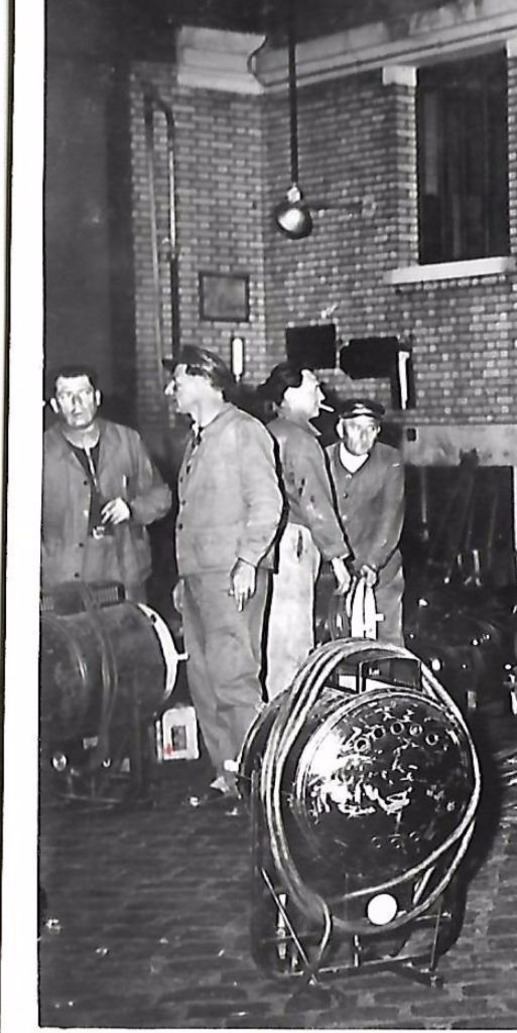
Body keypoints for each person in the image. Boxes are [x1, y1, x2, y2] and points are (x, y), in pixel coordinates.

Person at [165, 344, 283, 812]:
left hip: (232, 576)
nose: (171, 390)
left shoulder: (243, 432)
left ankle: (259, 782)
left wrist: (248, 561)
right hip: (198, 578)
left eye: (177, 380)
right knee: (206, 681)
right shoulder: (198, 438)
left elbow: (267, 503)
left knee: (235, 678)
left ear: (203, 380)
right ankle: (227, 776)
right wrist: (183, 577)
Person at [259, 363, 352, 699]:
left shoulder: (265, 432)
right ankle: (290, 717)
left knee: (271, 634)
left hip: (266, 545)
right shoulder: (300, 440)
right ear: (290, 394)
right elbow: (315, 502)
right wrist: (338, 558)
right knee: (292, 638)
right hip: (294, 544)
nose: (322, 395)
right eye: (314, 387)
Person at [41, 364, 172, 602]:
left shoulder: (128, 440)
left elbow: (161, 496)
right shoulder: (40, 452)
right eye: (66, 396)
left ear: (97, 397)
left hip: (123, 570)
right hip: (64, 580)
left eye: (83, 393)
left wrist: (132, 509)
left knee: (127, 638)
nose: (76, 403)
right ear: (55, 405)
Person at [326, 398, 406, 645]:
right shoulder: (322, 459)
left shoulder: (389, 460)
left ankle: (391, 683)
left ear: (378, 431)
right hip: (332, 570)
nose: (363, 436)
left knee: (386, 640)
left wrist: (372, 564)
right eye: (355, 427)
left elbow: (391, 516)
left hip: (380, 569)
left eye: (370, 428)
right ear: (341, 429)